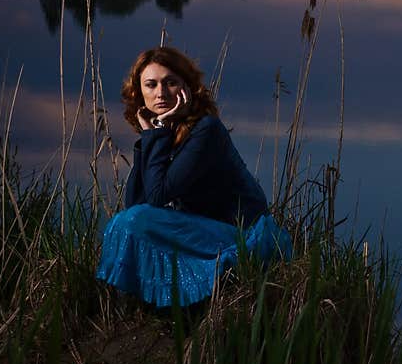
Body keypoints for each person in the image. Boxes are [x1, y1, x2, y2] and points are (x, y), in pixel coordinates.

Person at [96, 46, 292, 309]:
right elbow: (137, 201)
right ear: (139, 93)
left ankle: (154, 305)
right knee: (127, 221)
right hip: (203, 230)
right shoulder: (165, 132)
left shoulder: (206, 130)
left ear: (186, 87)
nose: (161, 93)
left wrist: (157, 133)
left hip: (242, 238)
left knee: (132, 221)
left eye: (170, 82)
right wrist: (150, 137)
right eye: (150, 85)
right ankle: (141, 308)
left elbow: (156, 197)